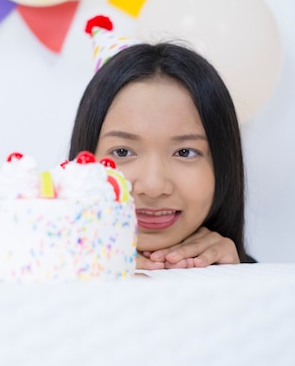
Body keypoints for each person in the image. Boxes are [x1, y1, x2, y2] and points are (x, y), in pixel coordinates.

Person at [69, 16, 255, 270]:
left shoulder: (252, 281)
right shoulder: (29, 275)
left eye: (185, 152)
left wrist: (240, 279)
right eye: (123, 151)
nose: (154, 187)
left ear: (223, 165)